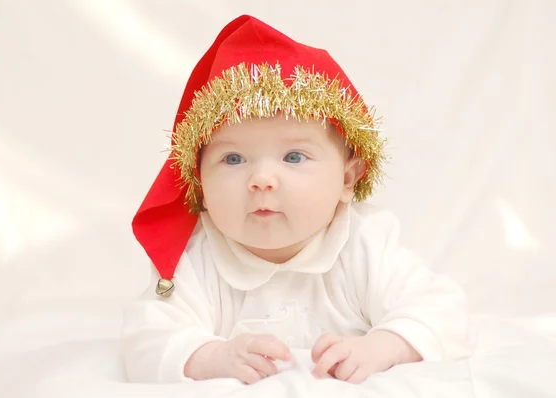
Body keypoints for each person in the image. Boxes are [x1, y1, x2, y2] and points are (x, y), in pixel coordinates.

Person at [122, 14, 473, 385]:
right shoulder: (196, 260)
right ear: (200, 186)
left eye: (293, 157)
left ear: (348, 179)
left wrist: (384, 347)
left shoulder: (365, 243)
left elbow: (443, 311)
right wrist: (211, 356)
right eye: (233, 159)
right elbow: (146, 337)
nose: (261, 180)